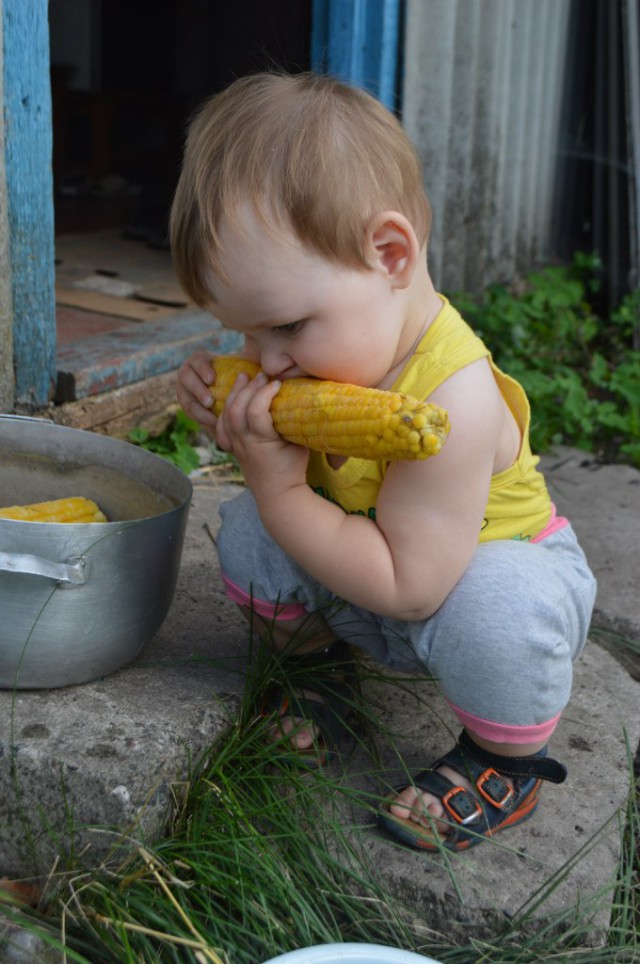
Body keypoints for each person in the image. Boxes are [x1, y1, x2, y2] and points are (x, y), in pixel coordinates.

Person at [170, 71, 597, 852]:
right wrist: (230, 417)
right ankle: (323, 679)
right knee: (248, 538)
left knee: (503, 608)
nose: (265, 363)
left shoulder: (455, 402)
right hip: (365, 576)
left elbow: (411, 587)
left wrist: (278, 482)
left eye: (288, 327)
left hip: (452, 588)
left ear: (391, 254)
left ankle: (505, 760)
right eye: (244, 335)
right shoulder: (330, 354)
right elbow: (314, 506)